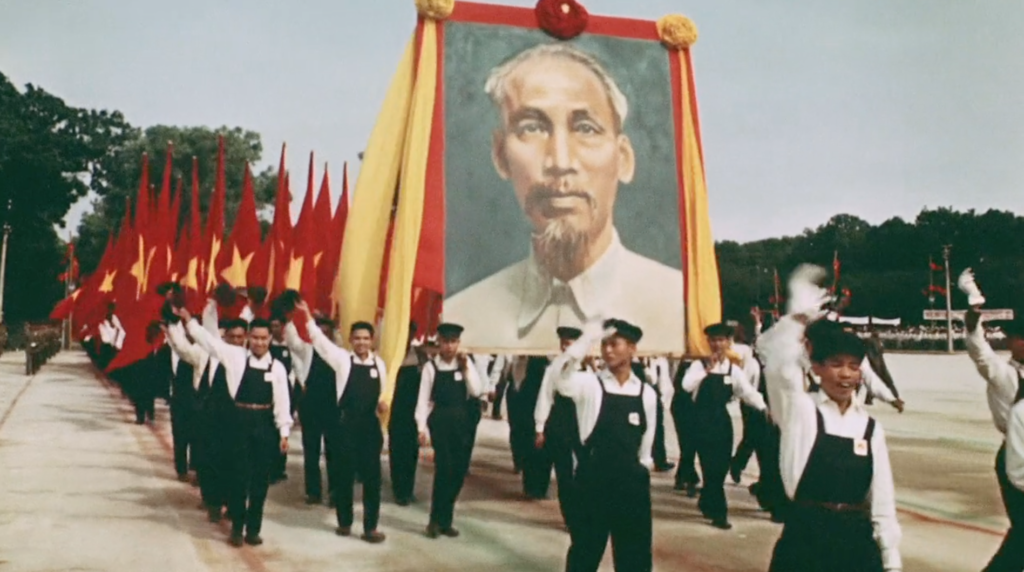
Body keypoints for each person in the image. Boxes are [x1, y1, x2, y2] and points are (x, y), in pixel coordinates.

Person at [443, 43, 684, 354]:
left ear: (623, 158)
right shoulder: (465, 317)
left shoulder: (678, 308)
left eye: (586, 128)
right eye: (532, 128)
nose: (559, 161)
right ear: (501, 155)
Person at [758, 265, 900, 572]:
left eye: (853, 366)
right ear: (817, 368)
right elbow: (776, 362)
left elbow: (882, 500)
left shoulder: (870, 428)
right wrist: (798, 318)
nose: (846, 374)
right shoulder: (802, 411)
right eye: (836, 364)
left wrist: (891, 559)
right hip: (805, 541)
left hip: (857, 546)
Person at [176, 306, 292, 547]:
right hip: (239, 424)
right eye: (256, 338)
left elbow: (282, 403)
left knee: (260, 482)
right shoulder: (235, 356)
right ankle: (237, 528)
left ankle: (253, 530)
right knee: (238, 478)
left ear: (270, 338)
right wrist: (189, 321)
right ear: (249, 338)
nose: (260, 342)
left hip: (264, 426)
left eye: (264, 338)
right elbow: (208, 341)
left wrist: (283, 432)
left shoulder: (277, 368)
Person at [548, 319, 657, 572]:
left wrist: (640, 474)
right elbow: (558, 376)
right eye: (604, 344)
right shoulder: (589, 384)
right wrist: (585, 341)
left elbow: (645, 447)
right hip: (593, 482)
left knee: (635, 557)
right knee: (584, 553)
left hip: (631, 486)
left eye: (614, 344)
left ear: (631, 349)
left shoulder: (646, 394)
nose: (607, 350)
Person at [297, 300, 389, 543]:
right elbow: (319, 341)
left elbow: (382, 392)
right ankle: (345, 522)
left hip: (370, 427)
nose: (361, 342)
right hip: (345, 426)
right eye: (357, 338)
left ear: (372, 340)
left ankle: (371, 527)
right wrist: (307, 314)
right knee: (344, 476)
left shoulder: (379, 364)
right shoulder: (342, 360)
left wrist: (382, 403)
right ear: (350, 340)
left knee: (372, 479)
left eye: (365, 338)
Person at [961, 268, 1024, 571]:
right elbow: (979, 352)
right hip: (1015, 457)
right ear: (1011, 342)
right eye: (1020, 338)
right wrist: (973, 317)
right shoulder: (1004, 375)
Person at [681, 322, 767, 530]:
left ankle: (707, 501)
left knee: (720, 467)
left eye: (722, 340)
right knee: (709, 466)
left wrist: (764, 408)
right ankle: (719, 512)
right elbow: (686, 386)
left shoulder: (733, 370)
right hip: (700, 421)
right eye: (714, 340)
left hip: (721, 421)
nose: (717, 344)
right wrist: (706, 370)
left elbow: (746, 392)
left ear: (729, 342)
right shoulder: (697, 366)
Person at [415, 323, 483, 539]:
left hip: (462, 421)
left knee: (459, 471)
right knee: (444, 470)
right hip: (441, 421)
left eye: (453, 342)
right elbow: (423, 399)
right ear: (439, 342)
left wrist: (466, 368)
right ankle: (435, 521)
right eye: (446, 342)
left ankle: (447, 519)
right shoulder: (431, 368)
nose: (449, 346)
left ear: (458, 343)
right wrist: (421, 426)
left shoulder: (465, 364)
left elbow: (477, 390)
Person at [534, 326, 592, 532]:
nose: (566, 347)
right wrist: (540, 427)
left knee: (586, 471)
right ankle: (571, 517)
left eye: (570, 343)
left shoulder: (589, 370)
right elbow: (545, 397)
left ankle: (585, 512)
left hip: (584, 423)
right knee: (564, 473)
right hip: (561, 421)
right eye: (564, 343)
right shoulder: (553, 370)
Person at [285, 316, 341, 505]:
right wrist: (292, 316)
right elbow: (291, 340)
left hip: (333, 407)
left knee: (334, 451)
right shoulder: (306, 350)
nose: (323, 335)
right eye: (320, 331)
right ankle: (313, 491)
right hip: (310, 405)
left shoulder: (338, 353)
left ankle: (335, 491)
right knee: (311, 449)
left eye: (327, 332)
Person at [390, 323, 425, 506]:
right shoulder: (391, 354)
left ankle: (408, 489)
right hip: (395, 410)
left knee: (412, 451)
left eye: (411, 333)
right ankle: (398, 489)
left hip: (413, 410)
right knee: (396, 450)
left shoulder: (419, 355)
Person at [267, 315, 293, 484]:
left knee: (280, 432)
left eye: (278, 325)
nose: (275, 328)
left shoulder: (289, 346)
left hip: (286, 390)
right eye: (273, 326)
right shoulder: (267, 349)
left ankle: (279, 467)